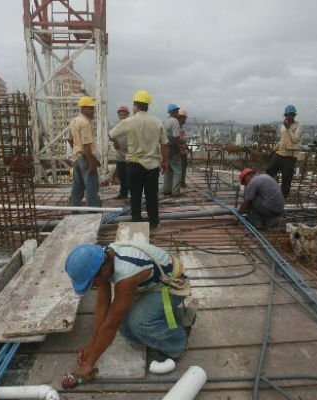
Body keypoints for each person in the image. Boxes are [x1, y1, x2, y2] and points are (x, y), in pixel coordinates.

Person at [65, 242, 191, 381]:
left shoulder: (126, 276)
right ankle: (160, 326)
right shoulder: (103, 261)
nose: (93, 286)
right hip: (149, 285)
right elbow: (102, 306)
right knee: (124, 325)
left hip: (170, 284)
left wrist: (90, 363)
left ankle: (176, 345)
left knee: (138, 323)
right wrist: (92, 345)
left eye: (92, 283)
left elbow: (110, 326)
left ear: (104, 269)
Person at [109, 90, 168, 228]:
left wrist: (119, 146)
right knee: (152, 195)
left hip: (134, 165)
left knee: (135, 195)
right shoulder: (157, 122)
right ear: (147, 106)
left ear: (135, 106)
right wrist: (165, 162)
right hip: (152, 166)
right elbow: (164, 144)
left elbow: (111, 134)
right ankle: (154, 221)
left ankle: (136, 221)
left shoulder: (129, 121)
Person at [68, 96, 101, 207]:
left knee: (77, 186)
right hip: (86, 159)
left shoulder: (74, 121)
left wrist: (78, 150)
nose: (92, 112)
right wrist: (91, 162)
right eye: (90, 109)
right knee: (91, 186)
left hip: (77, 158)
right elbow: (87, 145)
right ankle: (93, 210)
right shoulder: (85, 123)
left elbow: (69, 139)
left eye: (93, 109)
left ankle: (74, 207)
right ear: (83, 108)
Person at [266, 105, 303, 198]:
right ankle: (269, 193)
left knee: (286, 181)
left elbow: (295, 140)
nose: (289, 117)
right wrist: (274, 149)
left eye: (291, 115)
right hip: (280, 154)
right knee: (268, 172)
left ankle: (281, 201)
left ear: (294, 115)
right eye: (287, 115)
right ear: (285, 116)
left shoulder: (298, 126)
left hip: (290, 157)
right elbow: (282, 140)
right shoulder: (283, 125)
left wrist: (288, 129)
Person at [162, 103, 183, 197]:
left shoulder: (165, 121)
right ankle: (175, 192)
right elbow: (175, 137)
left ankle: (166, 190)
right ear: (174, 112)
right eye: (177, 111)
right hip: (173, 149)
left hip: (165, 149)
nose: (178, 112)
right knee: (178, 171)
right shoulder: (175, 121)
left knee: (168, 170)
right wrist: (179, 149)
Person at [113, 105, 130, 200]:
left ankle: (131, 193)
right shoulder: (116, 126)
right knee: (122, 176)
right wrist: (115, 143)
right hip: (120, 155)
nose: (123, 116)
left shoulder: (131, 125)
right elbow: (111, 135)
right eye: (121, 114)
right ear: (118, 115)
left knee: (130, 177)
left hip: (129, 156)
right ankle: (123, 193)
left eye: (124, 114)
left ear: (128, 115)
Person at [177, 109, 189, 188]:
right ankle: (177, 183)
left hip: (183, 151)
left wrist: (186, 146)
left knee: (184, 166)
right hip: (177, 152)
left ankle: (182, 182)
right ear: (180, 117)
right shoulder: (176, 127)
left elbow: (183, 140)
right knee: (177, 168)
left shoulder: (183, 129)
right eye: (184, 118)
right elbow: (176, 139)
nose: (185, 120)